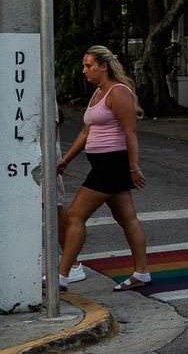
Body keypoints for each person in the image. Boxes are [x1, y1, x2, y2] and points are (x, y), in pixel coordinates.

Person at [55, 46, 151, 291]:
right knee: (127, 218)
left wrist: (132, 168)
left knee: (74, 216)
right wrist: (66, 159)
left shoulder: (118, 92)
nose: (84, 70)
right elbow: (87, 131)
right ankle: (141, 273)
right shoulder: (98, 92)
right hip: (101, 163)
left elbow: (130, 131)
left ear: (103, 66)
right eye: (84, 65)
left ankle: (62, 275)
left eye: (89, 65)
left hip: (112, 163)